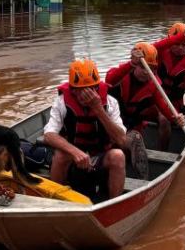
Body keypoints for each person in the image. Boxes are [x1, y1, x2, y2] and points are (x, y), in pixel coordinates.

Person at [43, 58, 127, 201]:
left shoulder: (111, 103)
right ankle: (55, 201)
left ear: (96, 88)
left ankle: (114, 203)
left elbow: (121, 139)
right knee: (60, 156)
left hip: (101, 155)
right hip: (73, 155)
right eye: (79, 90)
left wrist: (98, 109)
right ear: (72, 89)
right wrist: (75, 152)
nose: (85, 94)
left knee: (118, 156)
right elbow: (49, 135)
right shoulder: (61, 102)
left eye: (90, 89)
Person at [105, 42, 185, 178]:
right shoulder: (121, 75)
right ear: (135, 65)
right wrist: (131, 64)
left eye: (152, 69)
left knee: (138, 137)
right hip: (108, 129)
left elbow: (165, 109)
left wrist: (177, 118)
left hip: (129, 130)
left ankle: (143, 180)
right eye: (143, 67)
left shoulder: (154, 86)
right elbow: (110, 79)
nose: (146, 72)